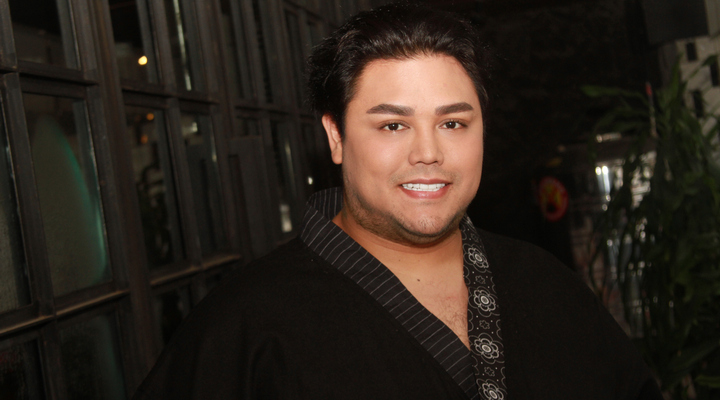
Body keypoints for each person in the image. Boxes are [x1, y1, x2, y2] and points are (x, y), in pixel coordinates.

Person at [132, 3, 663, 399]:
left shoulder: (546, 284)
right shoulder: (245, 327)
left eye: (453, 123)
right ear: (336, 137)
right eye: (393, 125)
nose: (428, 152)